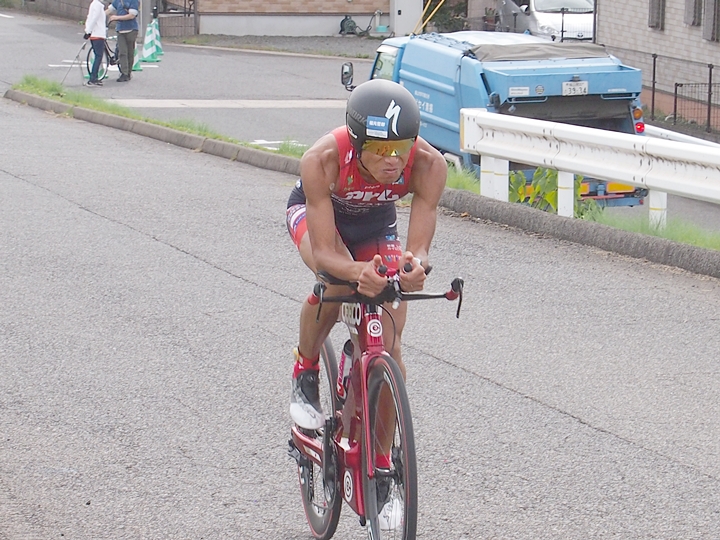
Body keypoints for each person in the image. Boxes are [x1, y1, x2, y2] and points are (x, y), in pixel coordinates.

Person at [105, 0, 139, 82]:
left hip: (131, 29)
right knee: (122, 52)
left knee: (130, 52)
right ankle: (124, 73)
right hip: (120, 30)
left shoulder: (133, 1)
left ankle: (128, 73)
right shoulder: (118, 1)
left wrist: (117, 17)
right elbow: (109, 10)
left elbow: (132, 15)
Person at [83, 0, 107, 86]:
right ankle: (93, 78)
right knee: (98, 56)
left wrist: (87, 31)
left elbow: (89, 18)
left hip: (93, 34)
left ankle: (94, 78)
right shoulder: (98, 5)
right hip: (98, 34)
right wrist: (89, 30)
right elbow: (94, 18)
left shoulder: (93, 4)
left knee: (97, 56)